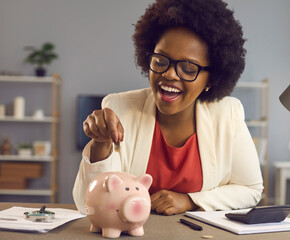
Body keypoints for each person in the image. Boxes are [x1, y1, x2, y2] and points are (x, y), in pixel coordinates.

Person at [73, 0, 263, 216]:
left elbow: (251, 190)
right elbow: (86, 204)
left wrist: (190, 201)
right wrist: (101, 144)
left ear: (211, 79)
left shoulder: (227, 114)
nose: (170, 74)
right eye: (161, 61)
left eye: (188, 68)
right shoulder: (118, 109)